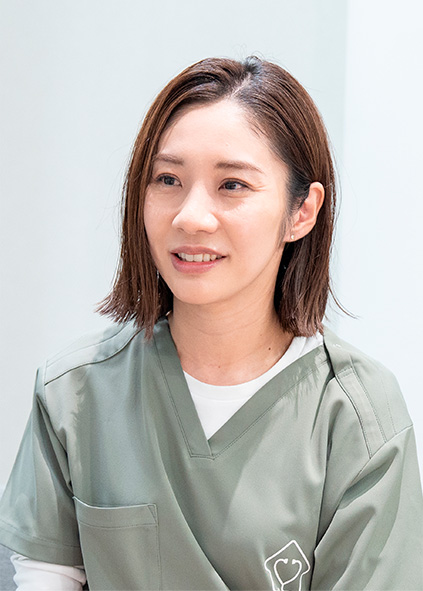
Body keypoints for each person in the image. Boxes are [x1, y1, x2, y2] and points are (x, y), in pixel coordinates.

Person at [0, 56, 421, 591]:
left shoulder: (358, 416)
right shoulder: (74, 393)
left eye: (232, 185)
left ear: (302, 212)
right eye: (168, 179)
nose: (190, 216)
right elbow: (43, 575)